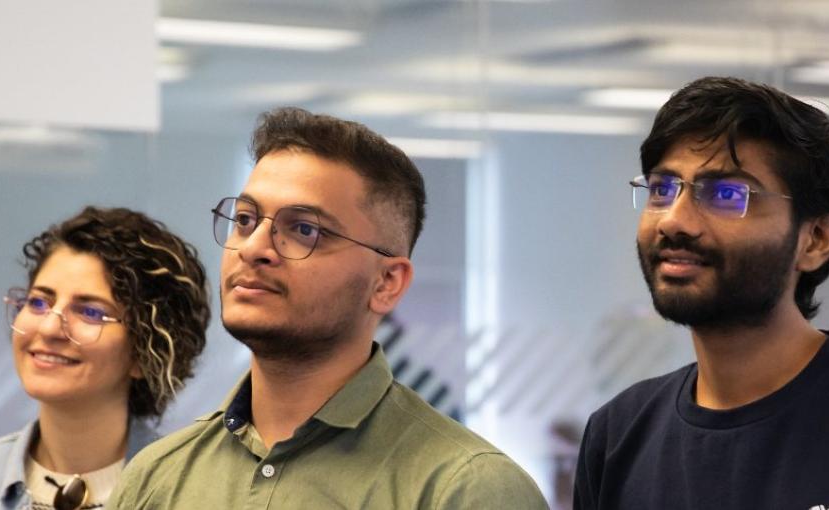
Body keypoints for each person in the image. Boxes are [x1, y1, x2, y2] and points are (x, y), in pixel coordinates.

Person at [110, 107, 546, 509]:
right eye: (245, 220)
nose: (255, 248)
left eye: (303, 229)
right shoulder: (158, 476)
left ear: (387, 283)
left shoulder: (466, 488)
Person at [574, 77, 829, 510]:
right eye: (662, 189)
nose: (674, 221)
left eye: (726, 194)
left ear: (816, 239)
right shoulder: (619, 435)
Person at [0, 207, 211, 510]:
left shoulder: (192, 494)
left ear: (145, 353)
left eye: (90, 312)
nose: (49, 328)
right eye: (39, 302)